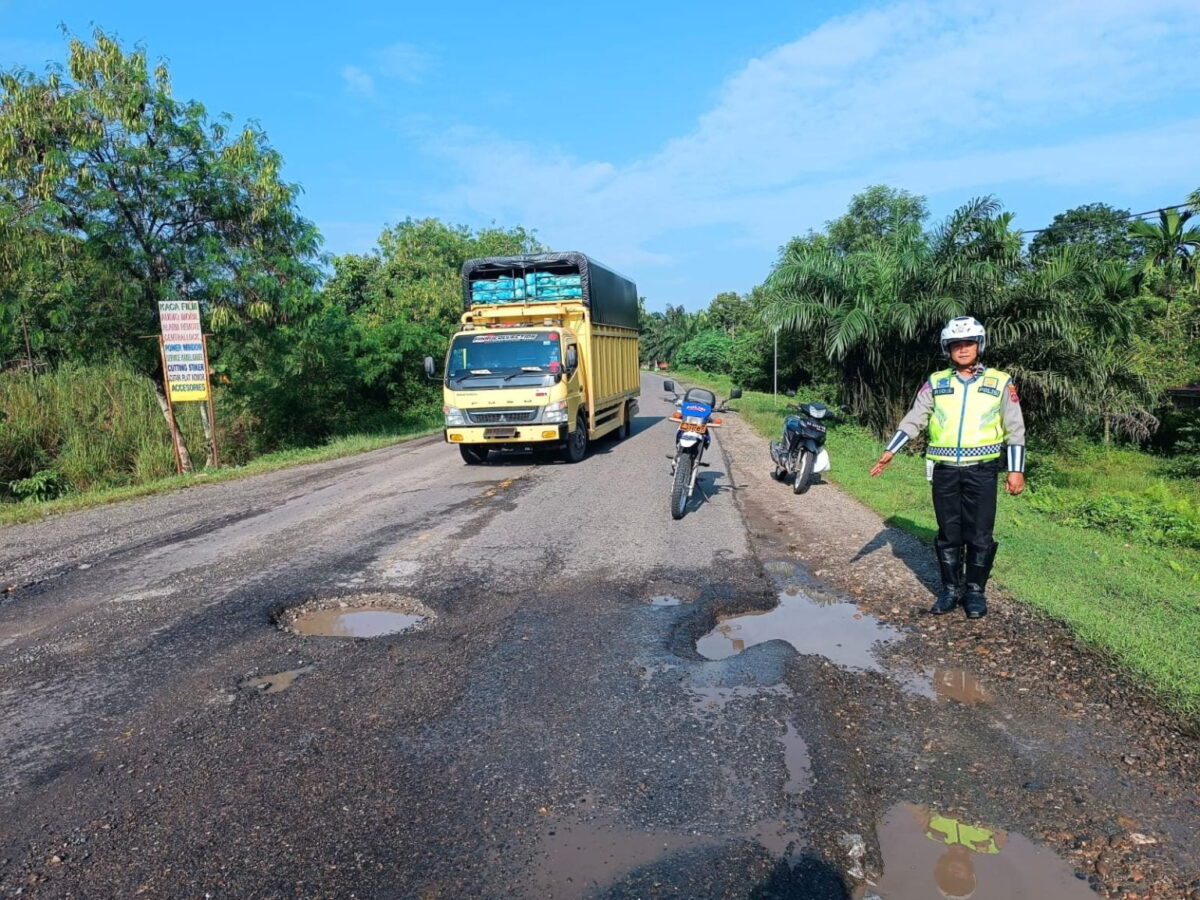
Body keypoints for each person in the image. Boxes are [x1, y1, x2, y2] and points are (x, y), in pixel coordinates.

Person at [869, 317, 1025, 618]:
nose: (963, 349)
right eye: (956, 344)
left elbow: (1014, 428)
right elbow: (915, 418)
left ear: (979, 345)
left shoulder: (1000, 381)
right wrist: (891, 450)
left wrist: (1015, 469)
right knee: (949, 532)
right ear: (948, 349)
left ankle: (975, 592)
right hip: (944, 471)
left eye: (968, 343)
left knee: (980, 533)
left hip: (982, 469)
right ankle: (951, 589)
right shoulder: (937, 382)